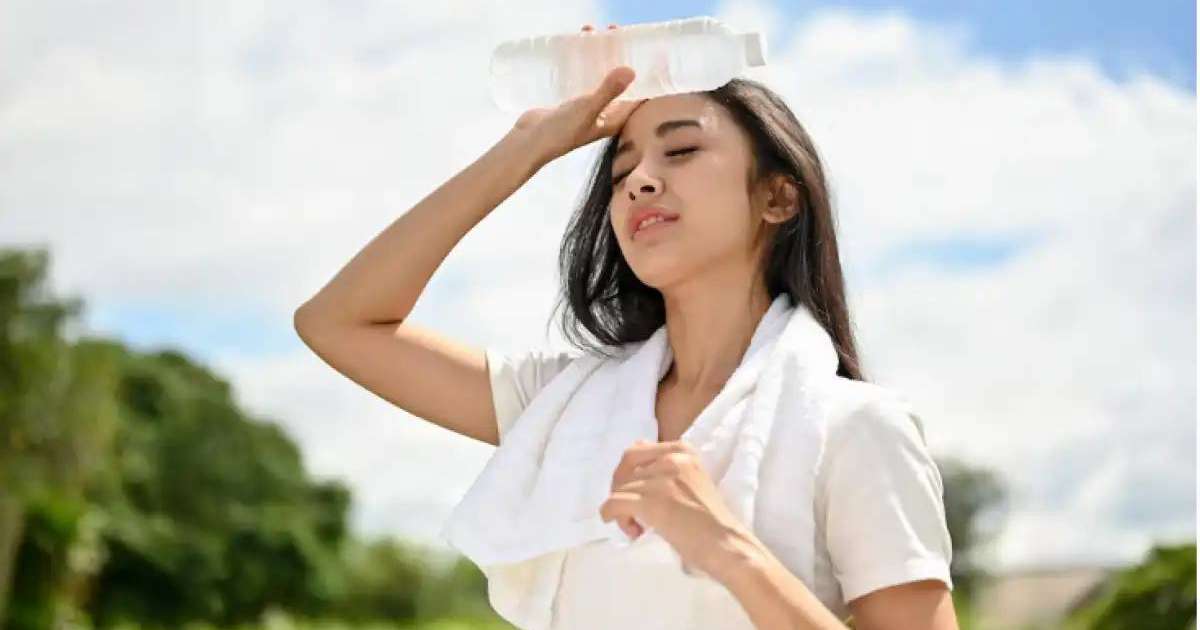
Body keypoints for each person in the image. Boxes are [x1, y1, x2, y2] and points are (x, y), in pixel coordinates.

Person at [295, 22, 959, 630]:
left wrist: (727, 549)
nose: (640, 179)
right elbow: (338, 323)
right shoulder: (563, 410)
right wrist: (526, 150)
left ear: (777, 196)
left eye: (682, 151)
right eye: (620, 171)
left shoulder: (856, 429)